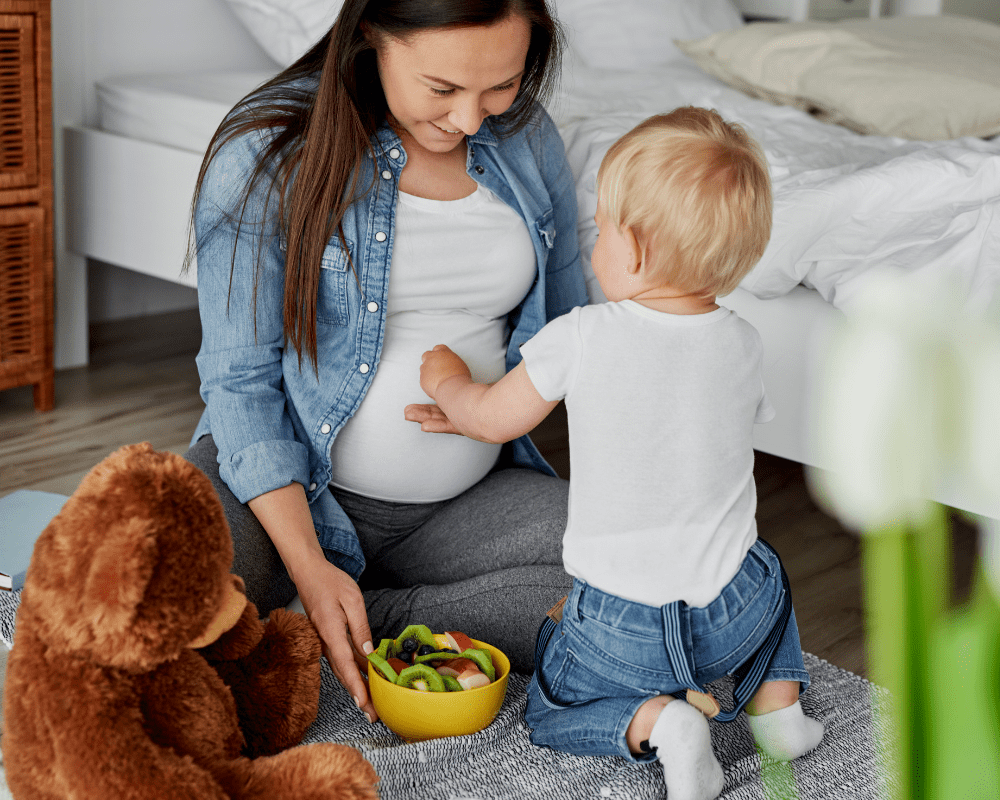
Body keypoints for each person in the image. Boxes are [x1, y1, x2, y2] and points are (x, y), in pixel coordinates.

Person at [184, 0, 588, 726]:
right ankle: (310, 592)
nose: (471, 119)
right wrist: (310, 563)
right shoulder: (268, 147)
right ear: (371, 34)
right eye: (442, 88)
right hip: (283, 496)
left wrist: (497, 405)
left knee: (645, 576)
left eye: (500, 85)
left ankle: (359, 614)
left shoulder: (527, 138)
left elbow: (569, 330)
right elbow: (239, 383)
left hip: (463, 507)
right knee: (161, 583)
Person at [405, 107, 824, 800]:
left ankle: (660, 723)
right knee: (765, 569)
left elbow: (486, 419)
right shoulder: (745, 343)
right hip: (733, 611)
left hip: (623, 628)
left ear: (630, 253)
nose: (593, 242)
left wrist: (446, 378)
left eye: (599, 229)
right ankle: (779, 716)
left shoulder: (585, 335)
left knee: (549, 704)